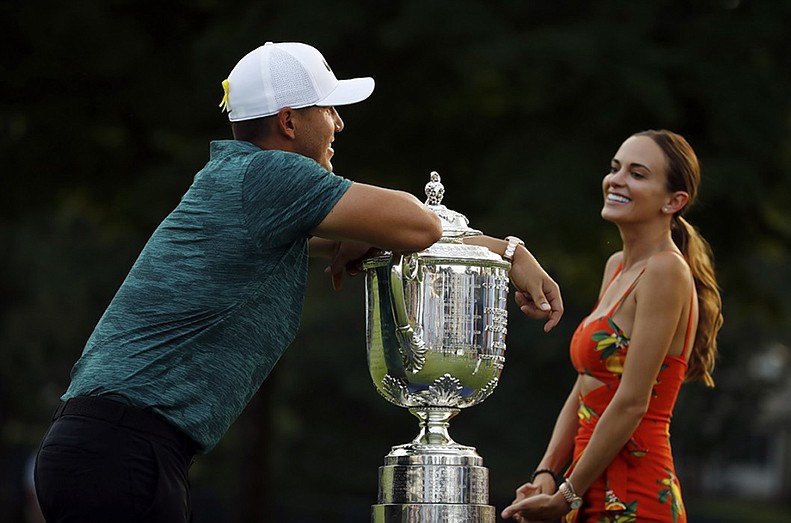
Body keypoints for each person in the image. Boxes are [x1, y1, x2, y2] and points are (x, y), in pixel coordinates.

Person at [34, 41, 563, 523]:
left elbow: (388, 234)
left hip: (111, 448)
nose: (338, 123)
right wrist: (503, 247)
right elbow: (420, 225)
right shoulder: (275, 177)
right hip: (123, 451)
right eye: (328, 109)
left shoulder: (240, 180)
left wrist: (501, 251)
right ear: (289, 121)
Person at [501, 129, 723, 523]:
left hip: (634, 492)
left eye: (637, 174)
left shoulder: (666, 271)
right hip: (585, 481)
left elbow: (633, 401)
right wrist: (548, 474)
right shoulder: (617, 266)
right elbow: (586, 383)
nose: (617, 180)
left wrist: (568, 493)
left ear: (674, 201)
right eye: (615, 168)